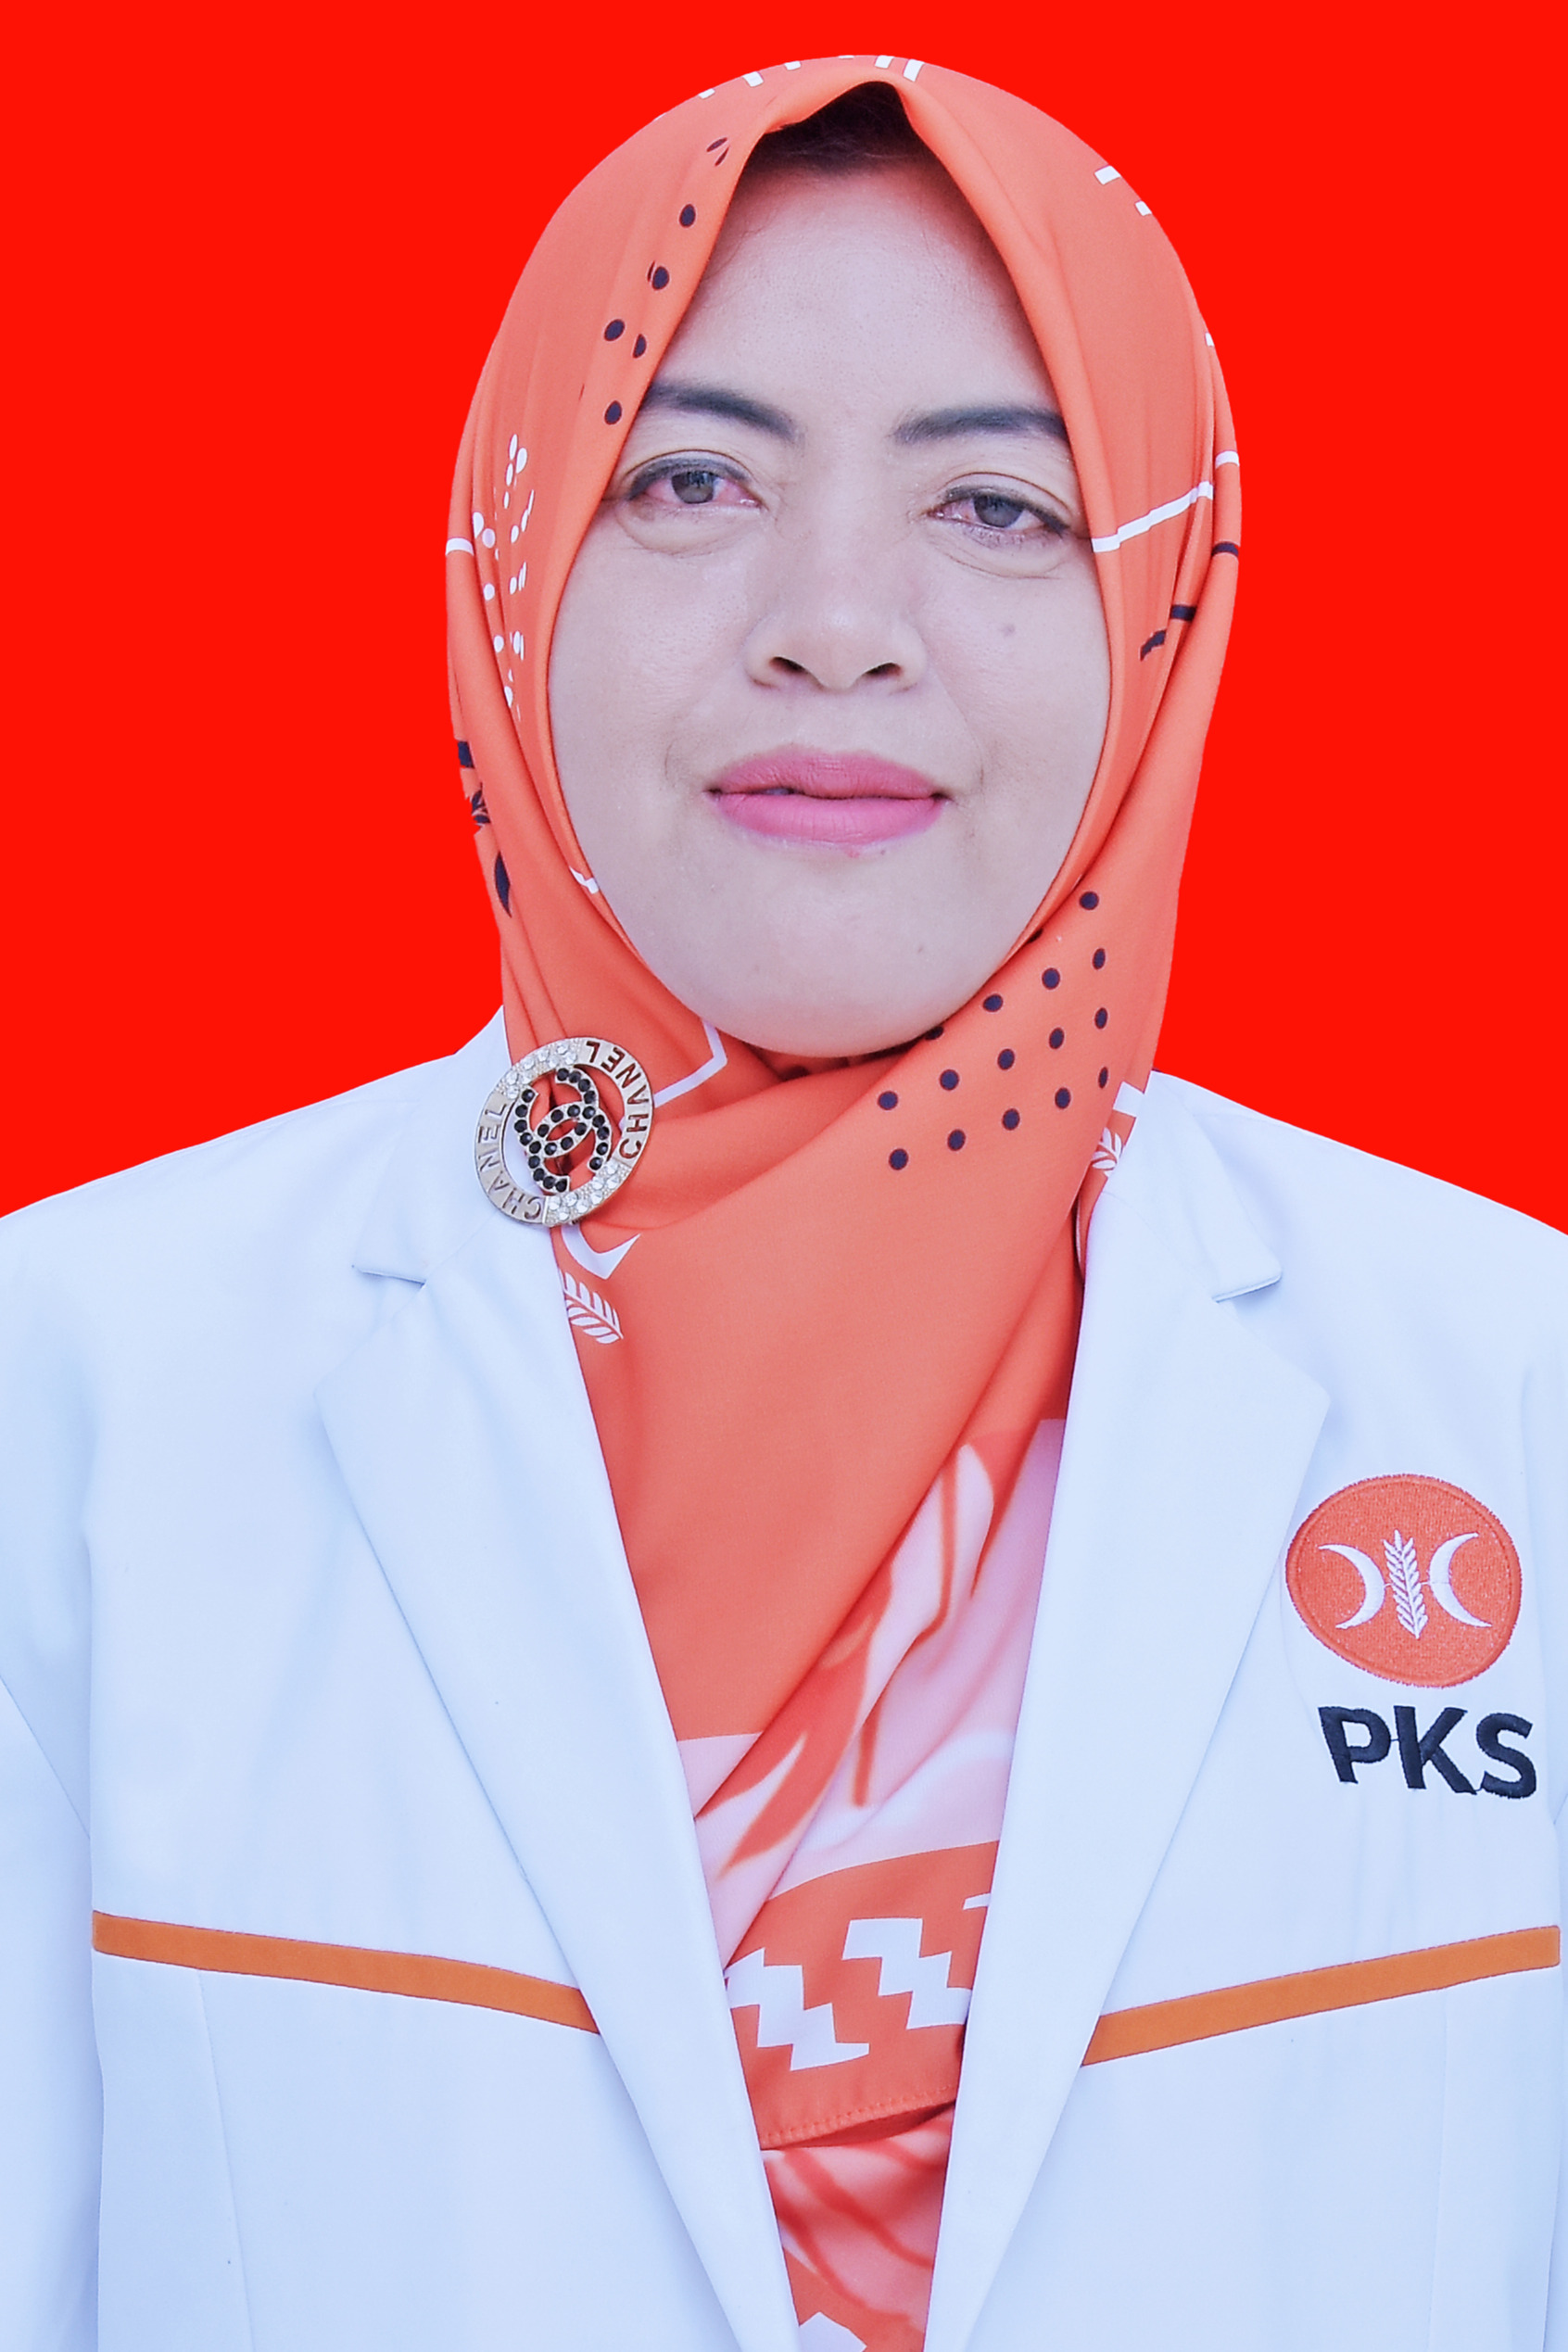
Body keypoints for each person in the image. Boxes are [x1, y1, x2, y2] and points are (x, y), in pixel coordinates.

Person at [1, 54, 1564, 2352]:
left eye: (1000, 506)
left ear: (1165, 605)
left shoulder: (1514, 1388)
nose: (836, 621)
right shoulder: (77, 1386)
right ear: (517, 557)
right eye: (692, 479)